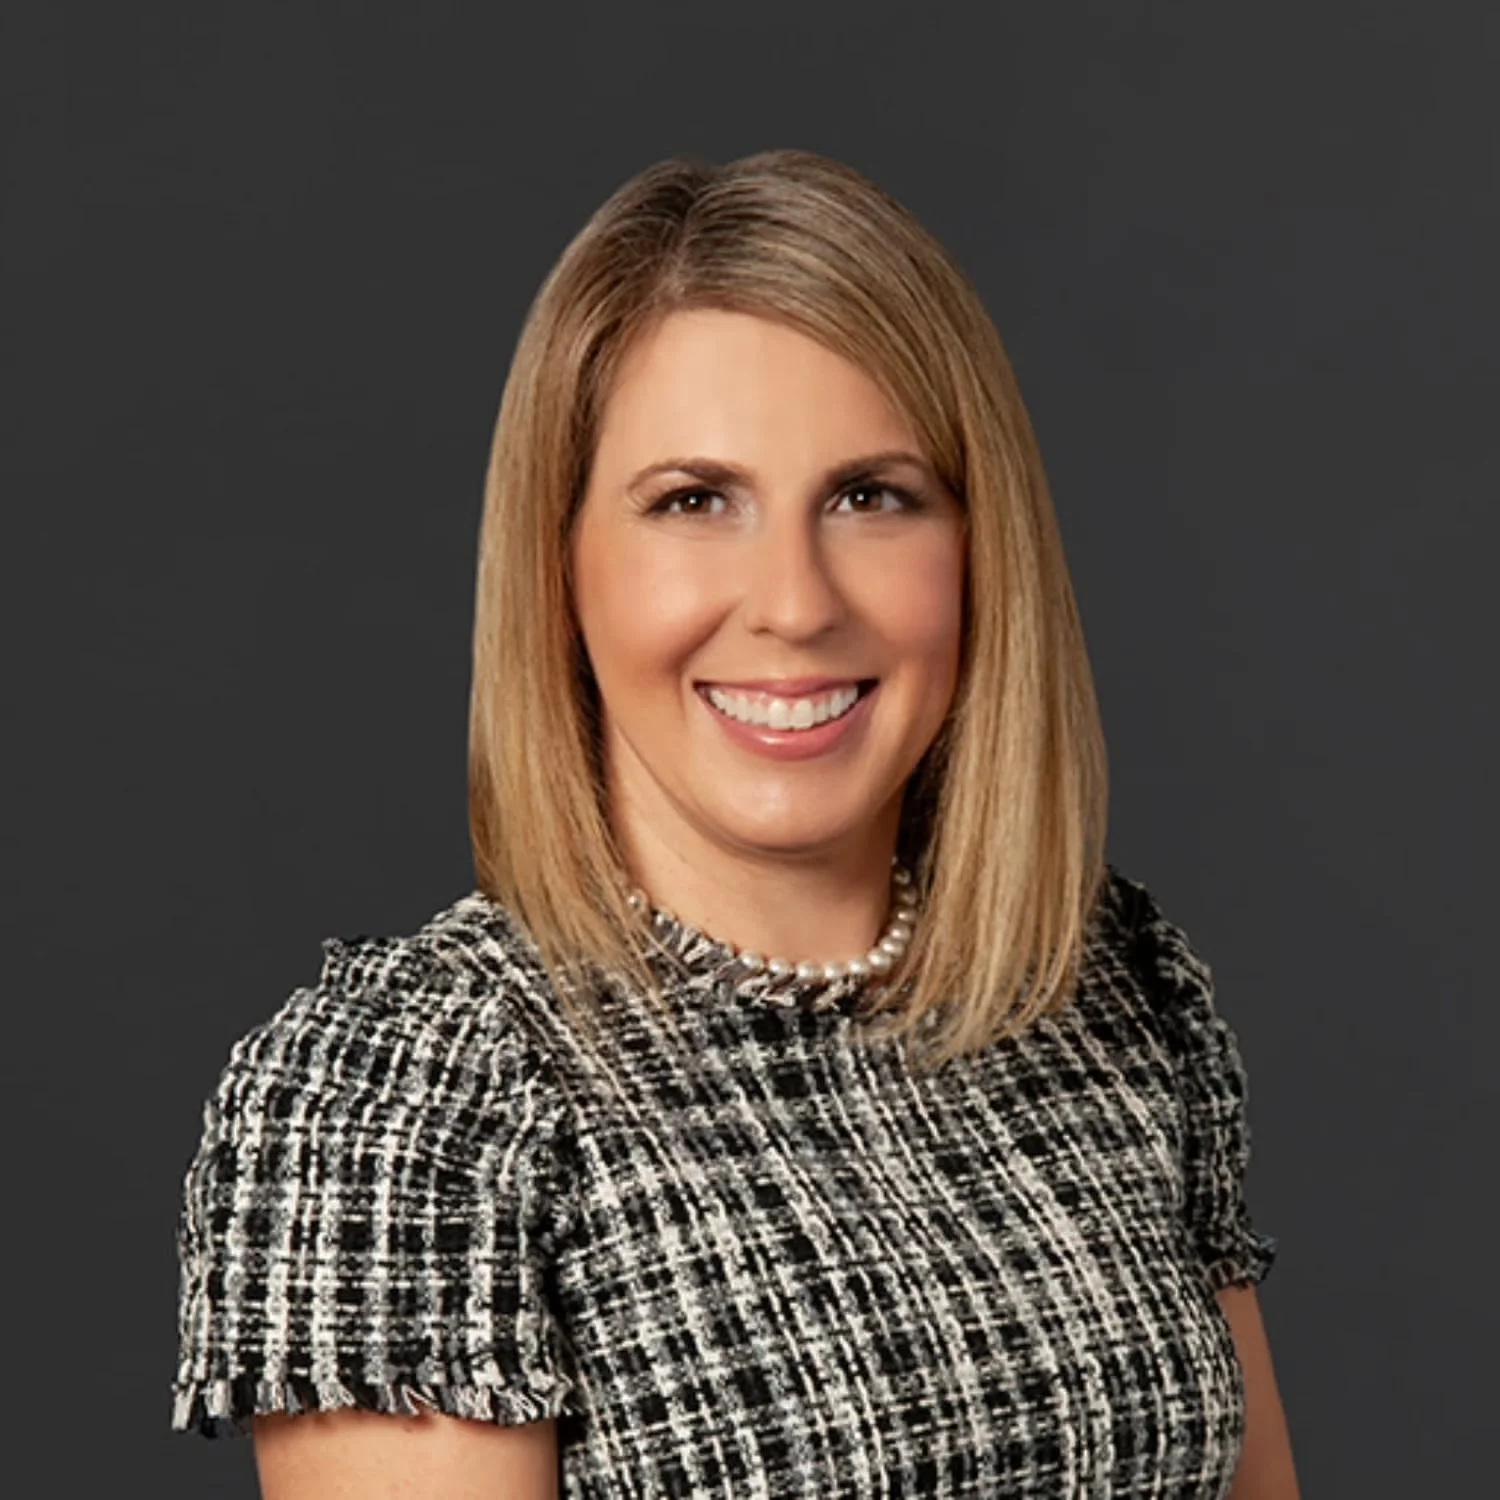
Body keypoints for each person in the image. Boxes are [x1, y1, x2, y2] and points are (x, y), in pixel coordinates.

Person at [171, 148, 1299, 1499]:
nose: (795, 604)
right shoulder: (409, 1096)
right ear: (560, 564)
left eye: (871, 497)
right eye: (694, 502)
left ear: (980, 549)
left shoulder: (1110, 985)